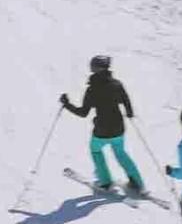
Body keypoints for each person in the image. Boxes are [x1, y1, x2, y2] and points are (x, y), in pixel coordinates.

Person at [60, 56, 145, 194]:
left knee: (96, 150)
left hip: (102, 130)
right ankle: (137, 182)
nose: (91, 68)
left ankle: (105, 182)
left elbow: (83, 113)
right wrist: (129, 113)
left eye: (92, 65)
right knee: (120, 153)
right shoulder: (117, 84)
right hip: (118, 128)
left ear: (97, 68)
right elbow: (126, 102)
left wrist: (66, 104)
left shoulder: (92, 89)